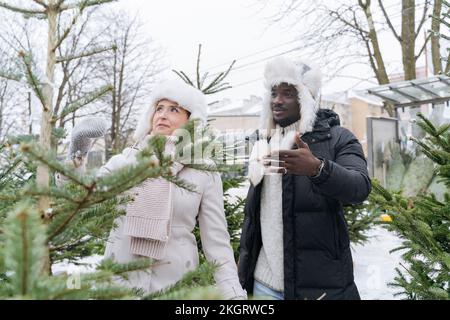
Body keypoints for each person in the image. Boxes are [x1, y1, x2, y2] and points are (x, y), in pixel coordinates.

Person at [57, 78, 247, 300]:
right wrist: (76, 156)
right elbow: (82, 195)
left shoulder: (203, 170)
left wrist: (234, 296)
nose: (162, 115)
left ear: (191, 121)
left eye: (174, 109)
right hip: (120, 284)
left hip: (175, 287)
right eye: (159, 108)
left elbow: (217, 244)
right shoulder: (127, 160)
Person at [238, 57, 371, 300]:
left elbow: (360, 187)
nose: (277, 100)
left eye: (288, 93)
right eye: (274, 92)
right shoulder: (263, 142)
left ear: (306, 99)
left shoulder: (337, 138)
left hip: (318, 287)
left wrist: (318, 169)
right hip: (263, 284)